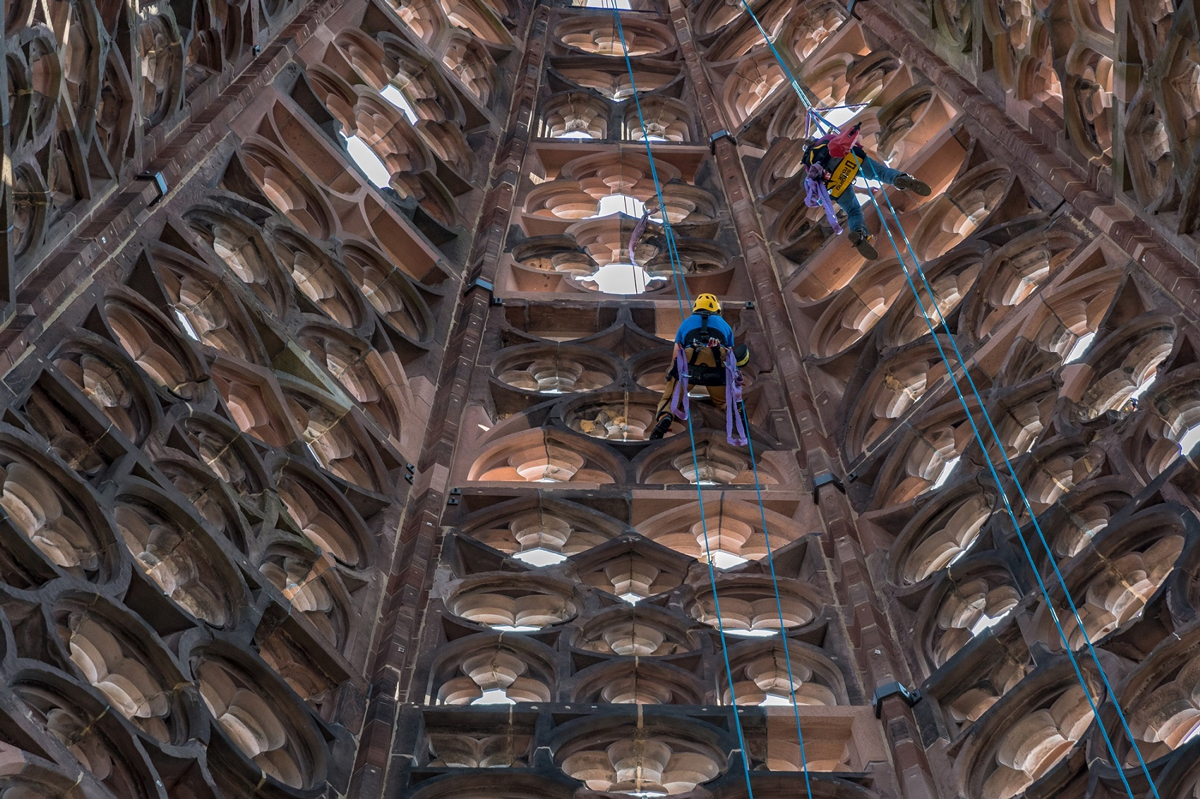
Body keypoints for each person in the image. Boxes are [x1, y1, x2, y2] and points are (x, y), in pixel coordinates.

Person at [803, 123, 931, 260]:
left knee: (853, 211)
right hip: (849, 161)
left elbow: (818, 184)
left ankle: (859, 234)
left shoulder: (808, 165)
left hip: (835, 182)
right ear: (815, 140)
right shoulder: (827, 138)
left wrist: (863, 191)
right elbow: (850, 143)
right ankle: (901, 179)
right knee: (882, 173)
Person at [649, 293, 749, 440]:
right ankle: (735, 410)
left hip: (689, 360)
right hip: (716, 359)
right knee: (724, 401)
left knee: (671, 398)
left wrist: (672, 368)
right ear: (717, 309)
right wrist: (735, 376)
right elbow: (730, 356)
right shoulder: (724, 325)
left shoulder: (687, 322)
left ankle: (665, 417)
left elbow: (678, 348)